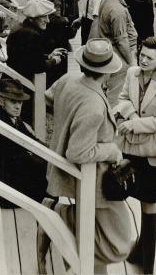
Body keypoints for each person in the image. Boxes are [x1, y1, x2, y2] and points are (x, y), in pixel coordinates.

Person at [38, 38, 130, 274]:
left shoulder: (69, 79)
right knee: (118, 244)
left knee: (95, 241)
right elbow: (78, 152)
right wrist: (112, 150)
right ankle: (63, 216)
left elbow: (48, 98)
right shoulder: (93, 105)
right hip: (94, 180)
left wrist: (66, 123)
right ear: (107, 73)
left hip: (75, 175)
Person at [115, 37, 156, 275]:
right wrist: (130, 117)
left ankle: (148, 264)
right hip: (129, 148)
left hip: (152, 151)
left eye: (148, 57)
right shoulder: (131, 73)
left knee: (149, 203)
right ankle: (137, 250)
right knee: (125, 194)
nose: (142, 59)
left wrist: (136, 124)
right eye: (141, 54)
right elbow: (121, 100)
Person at [0, 78, 48, 208]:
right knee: (47, 185)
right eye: (13, 102)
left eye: (20, 102)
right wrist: (45, 163)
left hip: (10, 173)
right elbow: (17, 159)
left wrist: (50, 152)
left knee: (46, 173)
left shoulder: (12, 118)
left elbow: (30, 140)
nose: (18, 106)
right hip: (4, 189)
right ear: (3, 101)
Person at [98, 0, 138, 107]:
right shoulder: (118, 10)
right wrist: (131, 62)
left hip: (109, 54)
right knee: (116, 98)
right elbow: (121, 41)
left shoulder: (106, 0)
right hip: (119, 58)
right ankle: (112, 126)